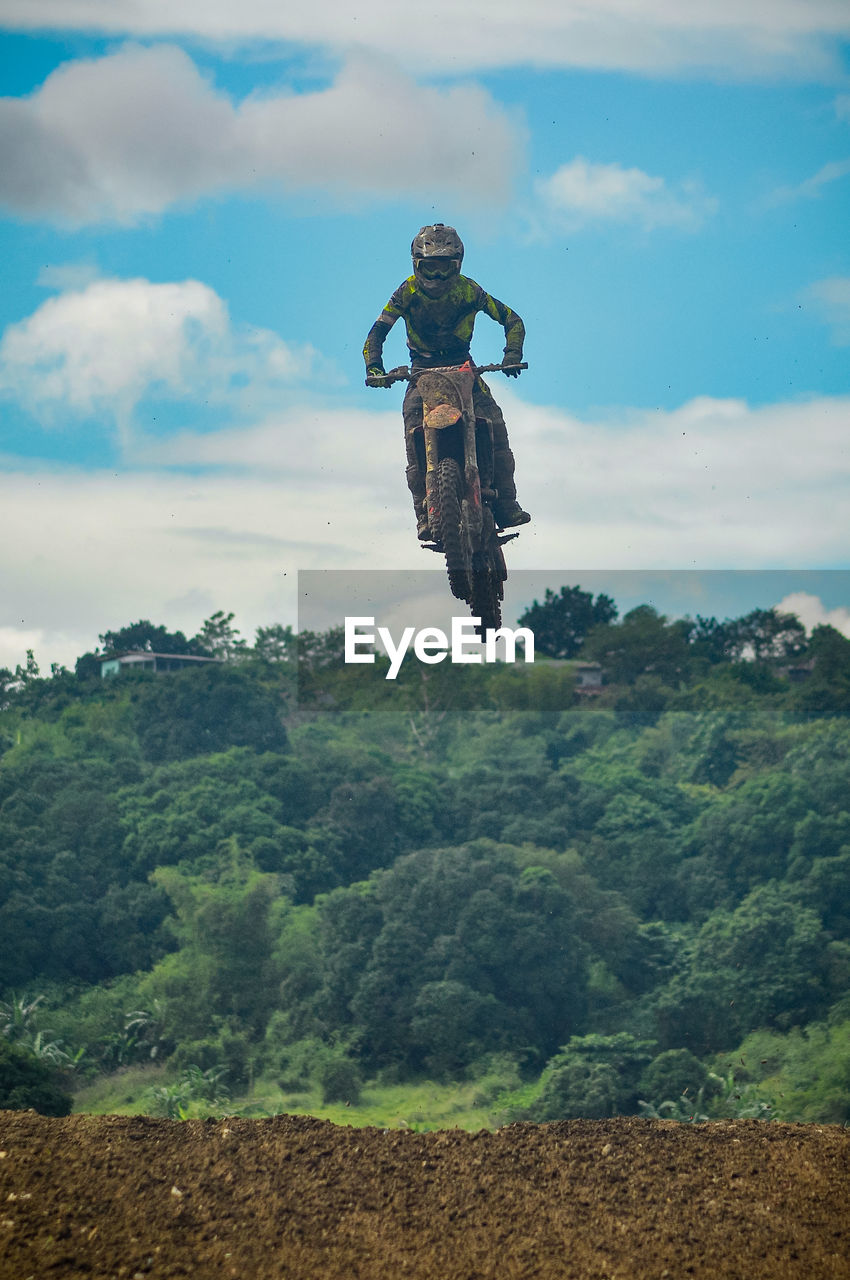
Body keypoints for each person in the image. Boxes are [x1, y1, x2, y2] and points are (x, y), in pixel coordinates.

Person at [363, 223, 531, 541]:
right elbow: (376, 333)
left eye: (444, 268)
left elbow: (512, 319)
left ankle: (507, 504)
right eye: (430, 267)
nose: (437, 277)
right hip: (420, 375)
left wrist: (512, 353)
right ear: (417, 264)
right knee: (414, 437)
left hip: (465, 370)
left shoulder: (469, 290)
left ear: (457, 264)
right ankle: (424, 515)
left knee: (495, 425)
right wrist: (374, 367)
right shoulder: (406, 292)